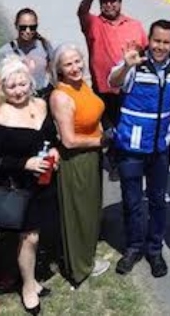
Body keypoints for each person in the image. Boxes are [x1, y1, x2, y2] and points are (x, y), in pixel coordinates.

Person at [0, 57, 61, 315]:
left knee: (38, 232)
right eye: (12, 86)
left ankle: (34, 279)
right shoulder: (2, 115)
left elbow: (49, 136)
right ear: (4, 89)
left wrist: (56, 152)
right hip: (20, 185)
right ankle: (28, 286)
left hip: (45, 181)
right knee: (30, 237)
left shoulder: (40, 104)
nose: (18, 90)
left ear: (30, 82)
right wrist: (25, 163)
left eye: (22, 84)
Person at [108, 19, 170, 278]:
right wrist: (125, 65)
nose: (160, 46)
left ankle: (154, 249)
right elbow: (114, 82)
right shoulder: (135, 64)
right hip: (132, 147)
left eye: (166, 42)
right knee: (132, 201)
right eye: (156, 40)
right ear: (148, 40)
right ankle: (133, 247)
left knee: (158, 202)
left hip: (160, 148)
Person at [48, 44, 110, 288]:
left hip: (92, 155)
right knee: (78, 212)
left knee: (90, 208)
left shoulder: (83, 85)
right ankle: (79, 267)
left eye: (77, 61)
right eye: (68, 64)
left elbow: (92, 114)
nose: (75, 68)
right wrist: (101, 141)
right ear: (59, 70)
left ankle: (87, 255)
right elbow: (69, 140)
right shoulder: (61, 96)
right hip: (77, 160)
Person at [77, 0, 148, 131]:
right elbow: (82, 12)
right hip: (104, 93)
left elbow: (146, 53)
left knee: (128, 131)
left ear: (120, 2)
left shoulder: (135, 25)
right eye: (105, 1)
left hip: (130, 92)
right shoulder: (93, 23)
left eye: (113, 1)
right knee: (109, 136)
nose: (109, 5)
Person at [0, 8, 54, 100]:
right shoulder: (5, 51)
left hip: (44, 97)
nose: (28, 31)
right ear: (16, 26)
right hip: (18, 99)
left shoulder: (44, 46)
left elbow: (54, 73)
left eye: (32, 27)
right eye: (23, 27)